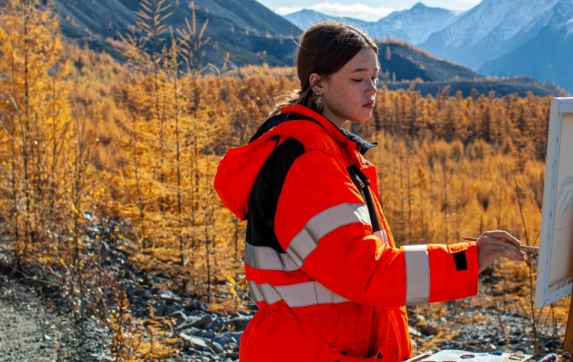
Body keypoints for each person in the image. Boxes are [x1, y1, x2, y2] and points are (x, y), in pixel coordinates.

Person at [214, 22, 525, 361]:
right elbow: (364, 272)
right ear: (317, 83)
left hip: (317, 344)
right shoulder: (309, 163)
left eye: (375, 77)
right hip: (311, 350)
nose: (371, 89)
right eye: (357, 78)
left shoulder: (329, 152)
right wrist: (468, 259)